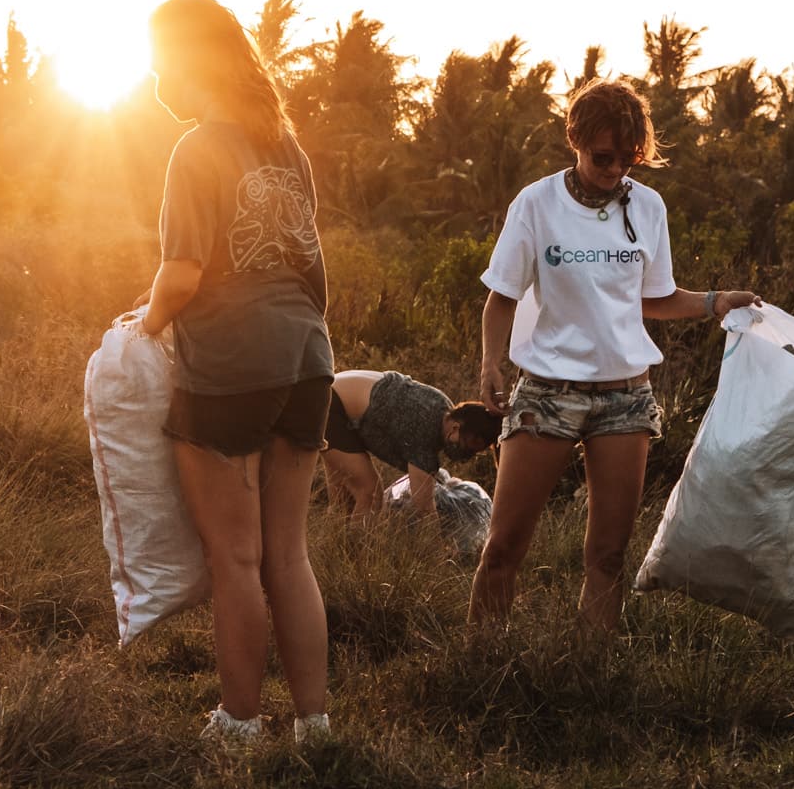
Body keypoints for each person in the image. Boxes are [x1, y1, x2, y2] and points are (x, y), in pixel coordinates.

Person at [469, 80, 760, 634]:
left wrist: (715, 302)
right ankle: (480, 663)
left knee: (608, 556)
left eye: (628, 160)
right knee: (504, 545)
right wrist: (490, 363)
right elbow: (501, 296)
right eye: (603, 158)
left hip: (626, 397)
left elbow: (654, 298)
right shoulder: (536, 203)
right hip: (548, 392)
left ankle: (591, 676)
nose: (615, 171)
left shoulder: (647, 207)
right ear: (575, 139)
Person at [137, 0, 335, 748]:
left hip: (230, 362)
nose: (156, 80)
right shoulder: (286, 145)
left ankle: (240, 722)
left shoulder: (195, 149)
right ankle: (314, 722)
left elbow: (181, 276)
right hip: (307, 357)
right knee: (289, 551)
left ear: (192, 63)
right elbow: (314, 268)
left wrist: (143, 325)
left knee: (236, 556)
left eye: (162, 63)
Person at [320, 369, 498, 521]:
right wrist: (439, 556)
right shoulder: (425, 432)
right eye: (468, 446)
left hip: (332, 393)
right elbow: (425, 509)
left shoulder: (443, 407)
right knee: (370, 492)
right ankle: (356, 555)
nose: (467, 455)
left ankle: (333, 551)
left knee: (342, 504)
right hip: (332, 407)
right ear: (455, 428)